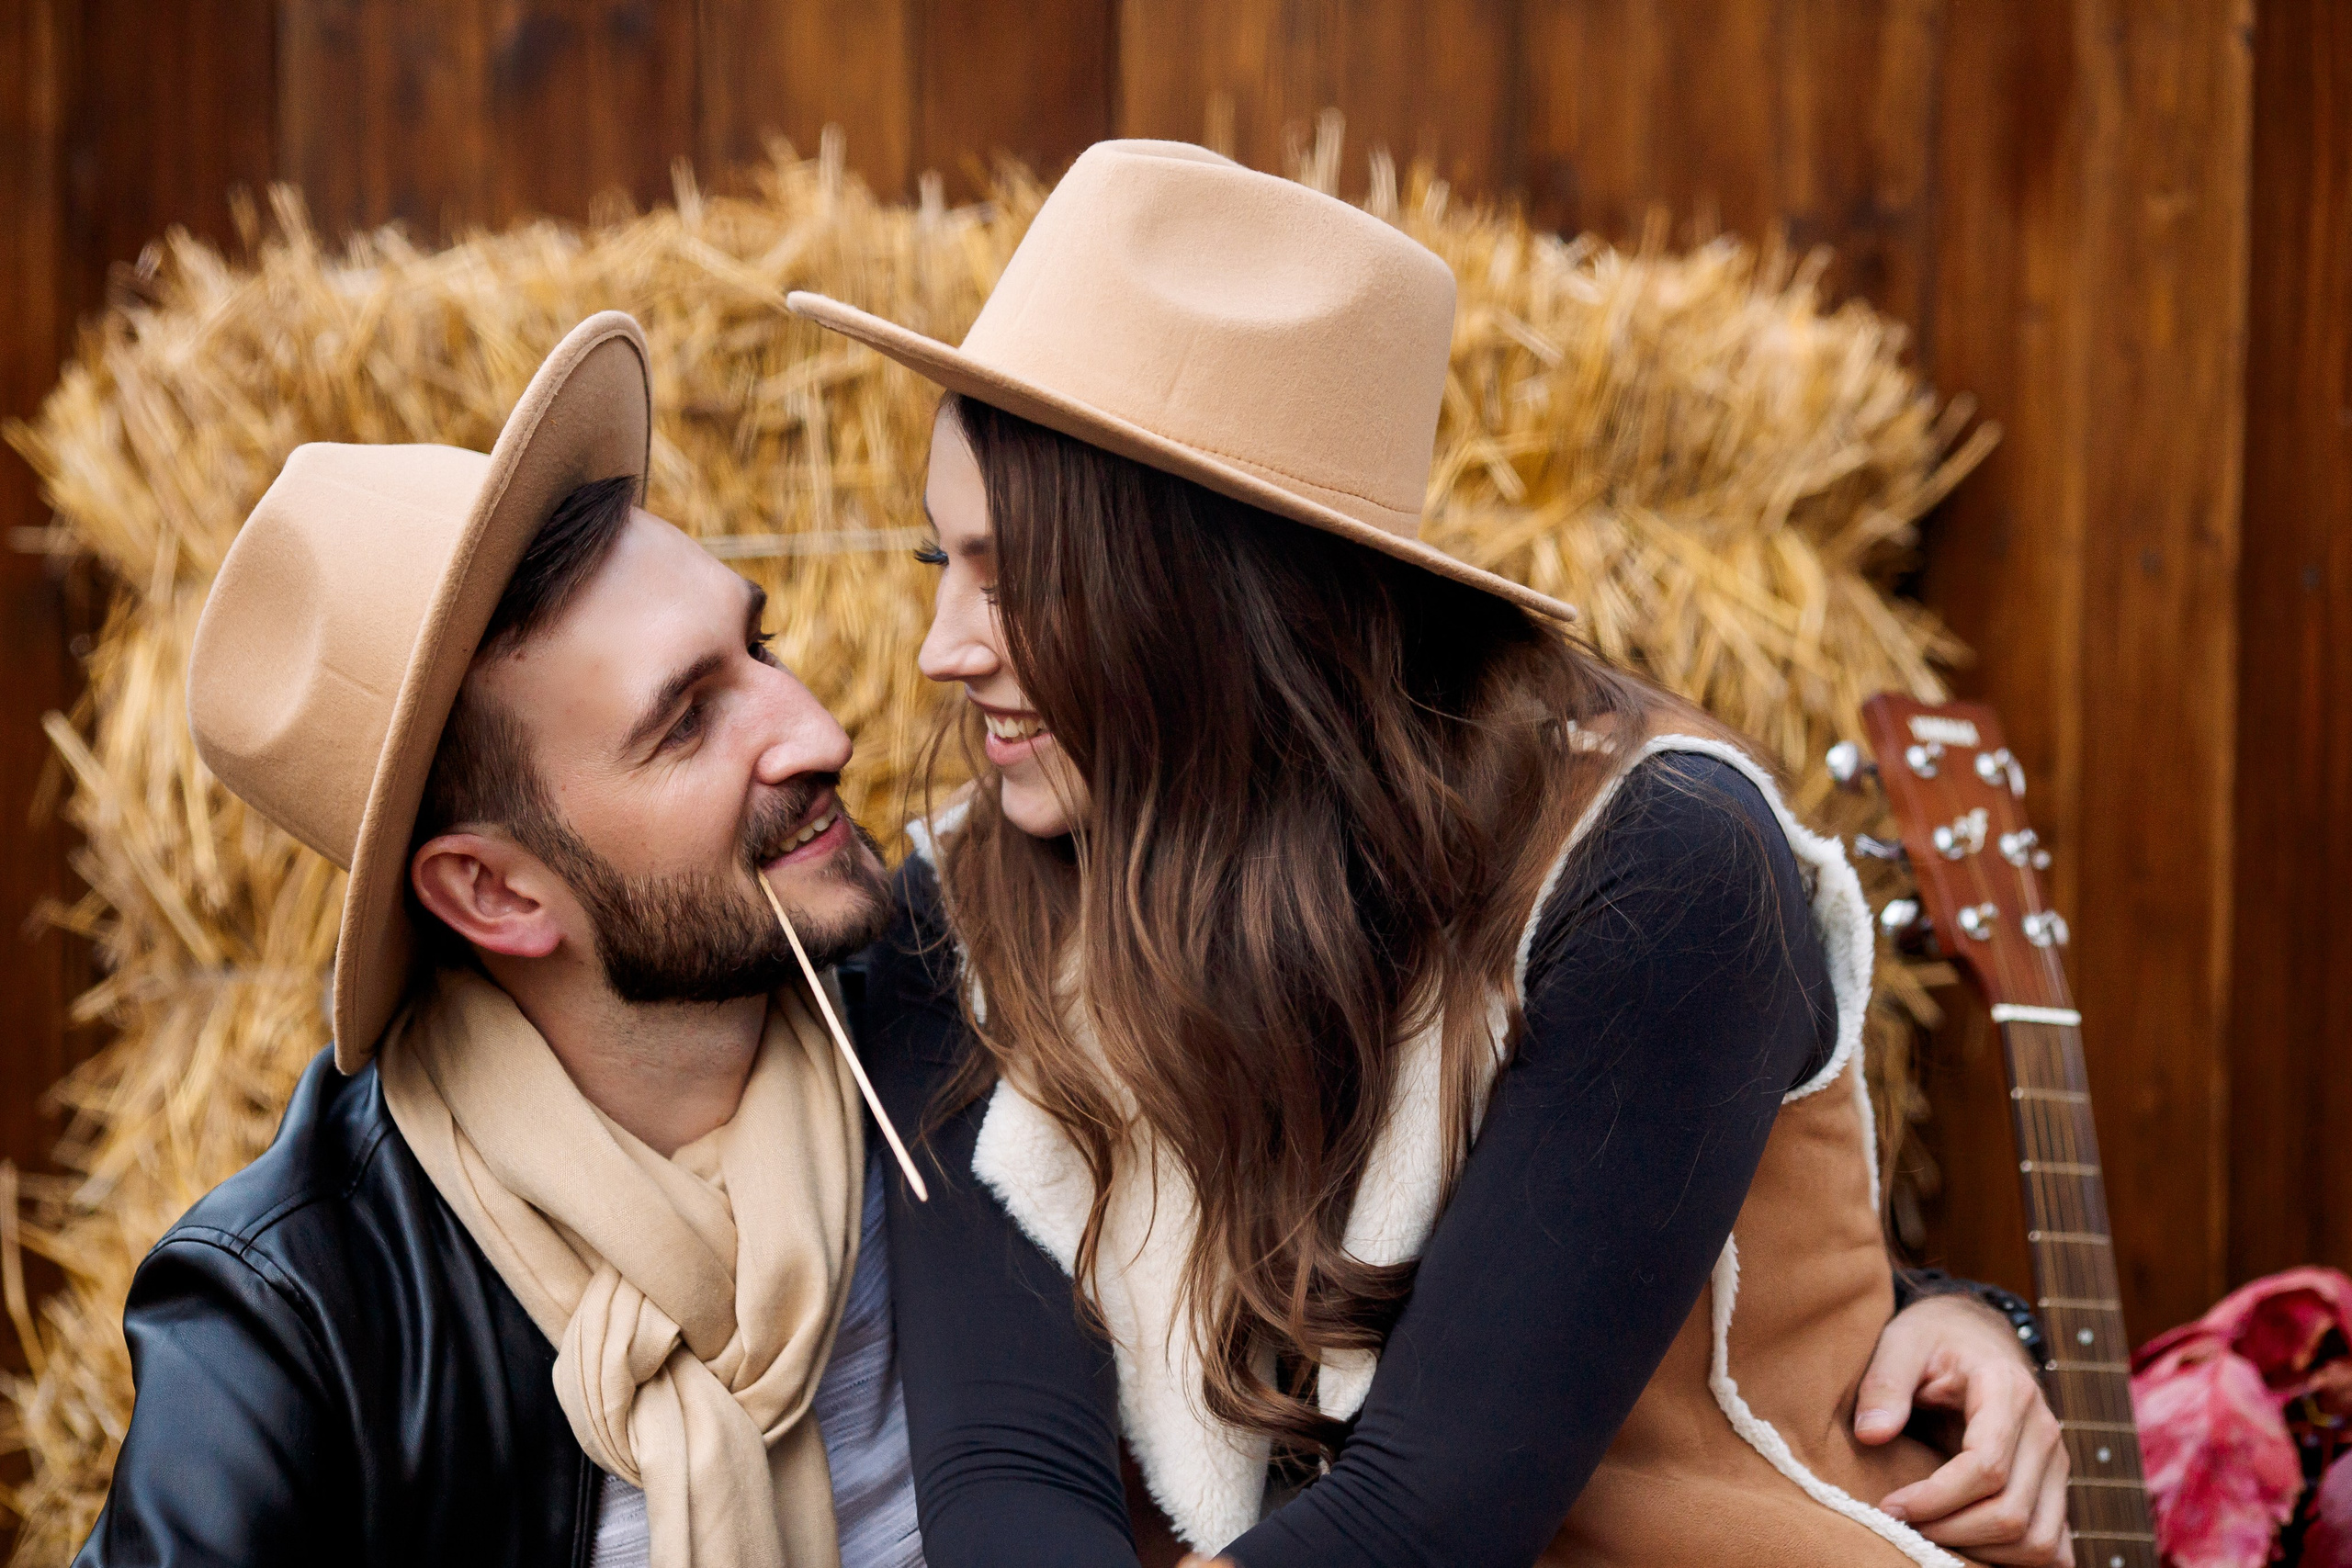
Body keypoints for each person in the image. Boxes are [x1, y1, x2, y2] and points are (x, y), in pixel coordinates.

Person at [798, 141, 2076, 1568]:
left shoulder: (1651, 863)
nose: (942, 652)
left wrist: (1981, 1316)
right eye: (941, 564)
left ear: (1226, 600)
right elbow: (1005, 1472)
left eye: (1016, 581)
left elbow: (1424, 1522)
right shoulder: (955, 917)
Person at [76, 313, 924, 1568]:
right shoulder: (293, 1318)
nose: (816, 732)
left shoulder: (967, 1053)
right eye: (687, 722)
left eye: (760, 647)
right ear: (496, 894)